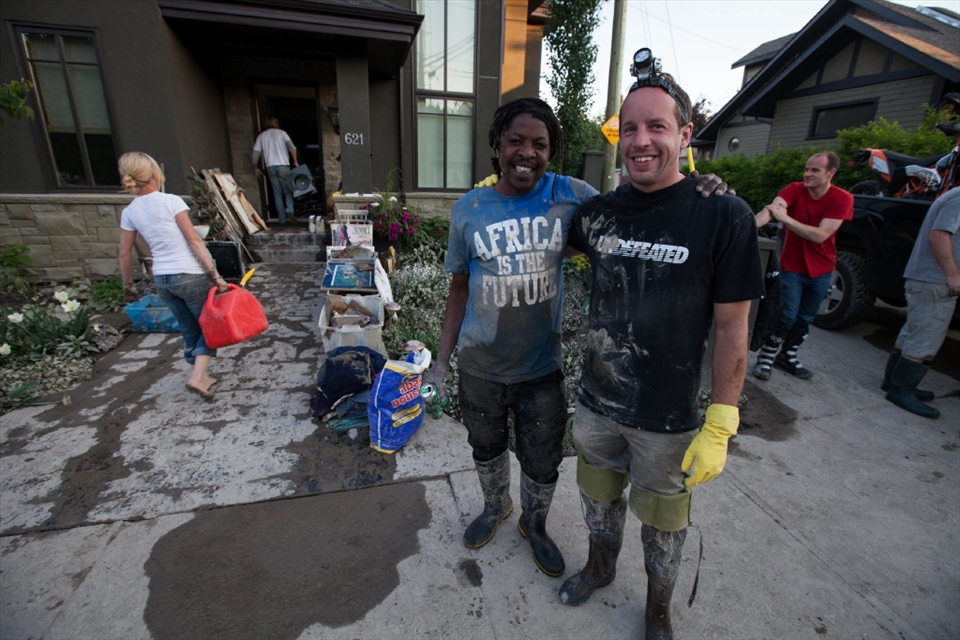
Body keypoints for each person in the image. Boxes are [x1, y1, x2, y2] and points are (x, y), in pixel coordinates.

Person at [425, 97, 729, 579]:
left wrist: (694, 189)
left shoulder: (571, 194)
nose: (527, 152)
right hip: (479, 366)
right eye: (516, 141)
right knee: (485, 446)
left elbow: (638, 204)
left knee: (543, 457)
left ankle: (534, 523)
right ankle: (495, 506)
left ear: (552, 151)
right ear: (497, 145)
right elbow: (458, 290)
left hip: (540, 369)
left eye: (540, 144)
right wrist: (441, 364)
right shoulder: (469, 209)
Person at [557, 58, 763, 640]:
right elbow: (545, 225)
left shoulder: (723, 215)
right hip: (597, 405)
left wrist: (722, 418)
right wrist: (499, 192)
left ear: (685, 134)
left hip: (668, 419)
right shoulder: (597, 215)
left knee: (665, 523)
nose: (641, 140)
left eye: (657, 127)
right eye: (630, 128)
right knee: (598, 499)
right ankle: (600, 568)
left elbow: (733, 328)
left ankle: (657, 609)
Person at [117, 151, 230, 400]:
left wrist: (128, 284)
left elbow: (124, 254)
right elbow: (194, 240)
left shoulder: (130, 211)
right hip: (189, 275)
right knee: (210, 325)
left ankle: (200, 375)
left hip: (162, 279)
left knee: (188, 328)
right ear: (154, 173)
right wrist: (216, 276)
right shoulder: (171, 201)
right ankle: (198, 377)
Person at [752, 152, 853, 380]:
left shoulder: (842, 198)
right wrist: (747, 228)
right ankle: (766, 356)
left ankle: (787, 356)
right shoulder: (795, 189)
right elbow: (772, 209)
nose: (807, 174)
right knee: (786, 316)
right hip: (791, 268)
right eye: (807, 169)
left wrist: (786, 219)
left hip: (822, 269)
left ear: (831, 173)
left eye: (815, 170)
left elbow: (821, 235)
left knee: (805, 318)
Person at [881, 186, 960, 419]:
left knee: (913, 331)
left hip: (926, 278)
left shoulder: (953, 194)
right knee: (926, 335)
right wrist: (952, 274)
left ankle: (893, 382)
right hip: (934, 280)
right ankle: (901, 391)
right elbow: (939, 236)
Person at [252, 116, 299, 225]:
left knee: (277, 193)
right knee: (287, 190)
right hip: (283, 165)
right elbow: (292, 147)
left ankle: (282, 219)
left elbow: (255, 153)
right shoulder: (282, 133)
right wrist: (295, 161)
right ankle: (290, 210)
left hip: (270, 166)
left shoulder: (262, 136)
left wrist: (255, 167)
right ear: (276, 123)